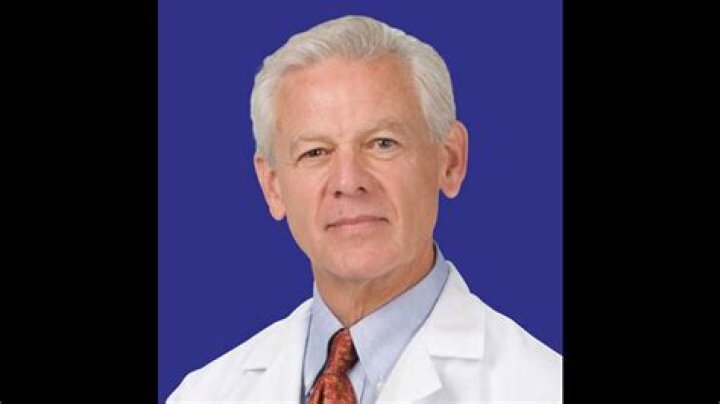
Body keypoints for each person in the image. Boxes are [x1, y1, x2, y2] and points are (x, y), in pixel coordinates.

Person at [167, 15, 562, 403]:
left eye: (382, 143)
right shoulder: (203, 394)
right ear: (272, 185)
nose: (348, 181)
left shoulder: (543, 388)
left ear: (450, 160)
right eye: (315, 152)